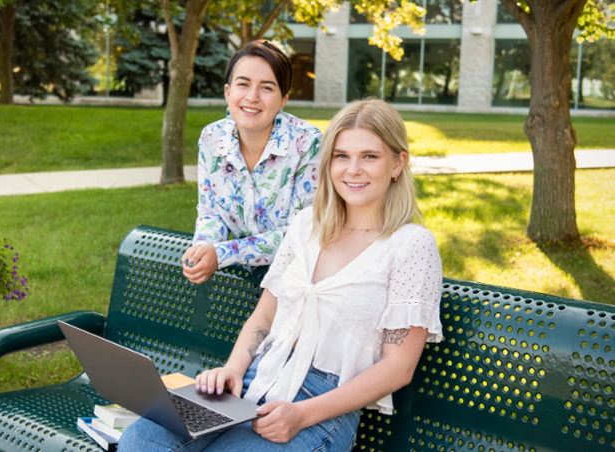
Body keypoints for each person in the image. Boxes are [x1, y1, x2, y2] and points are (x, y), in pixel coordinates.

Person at [118, 99, 443, 452]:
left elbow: (398, 368)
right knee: (141, 439)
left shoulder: (411, 245)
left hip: (322, 402)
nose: (353, 170)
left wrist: (302, 414)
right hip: (257, 377)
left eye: (369, 156)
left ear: (398, 163)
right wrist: (232, 370)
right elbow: (266, 314)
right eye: (340, 156)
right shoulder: (306, 226)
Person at [181, 40, 322, 285]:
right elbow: (211, 212)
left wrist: (223, 253)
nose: (252, 97)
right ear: (228, 92)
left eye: (266, 88)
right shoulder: (211, 138)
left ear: (282, 100)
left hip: (295, 280)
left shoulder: (307, 144)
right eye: (243, 84)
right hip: (235, 280)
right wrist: (203, 249)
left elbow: (301, 233)